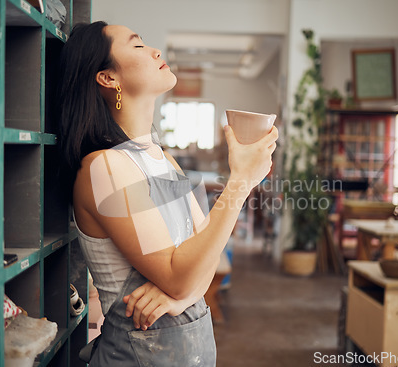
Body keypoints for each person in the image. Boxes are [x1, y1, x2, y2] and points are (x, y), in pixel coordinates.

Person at [58, 21, 278, 367]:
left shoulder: (163, 158)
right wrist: (241, 181)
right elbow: (180, 276)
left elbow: (206, 253)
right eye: (137, 46)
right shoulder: (105, 167)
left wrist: (179, 298)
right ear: (108, 78)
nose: (155, 51)